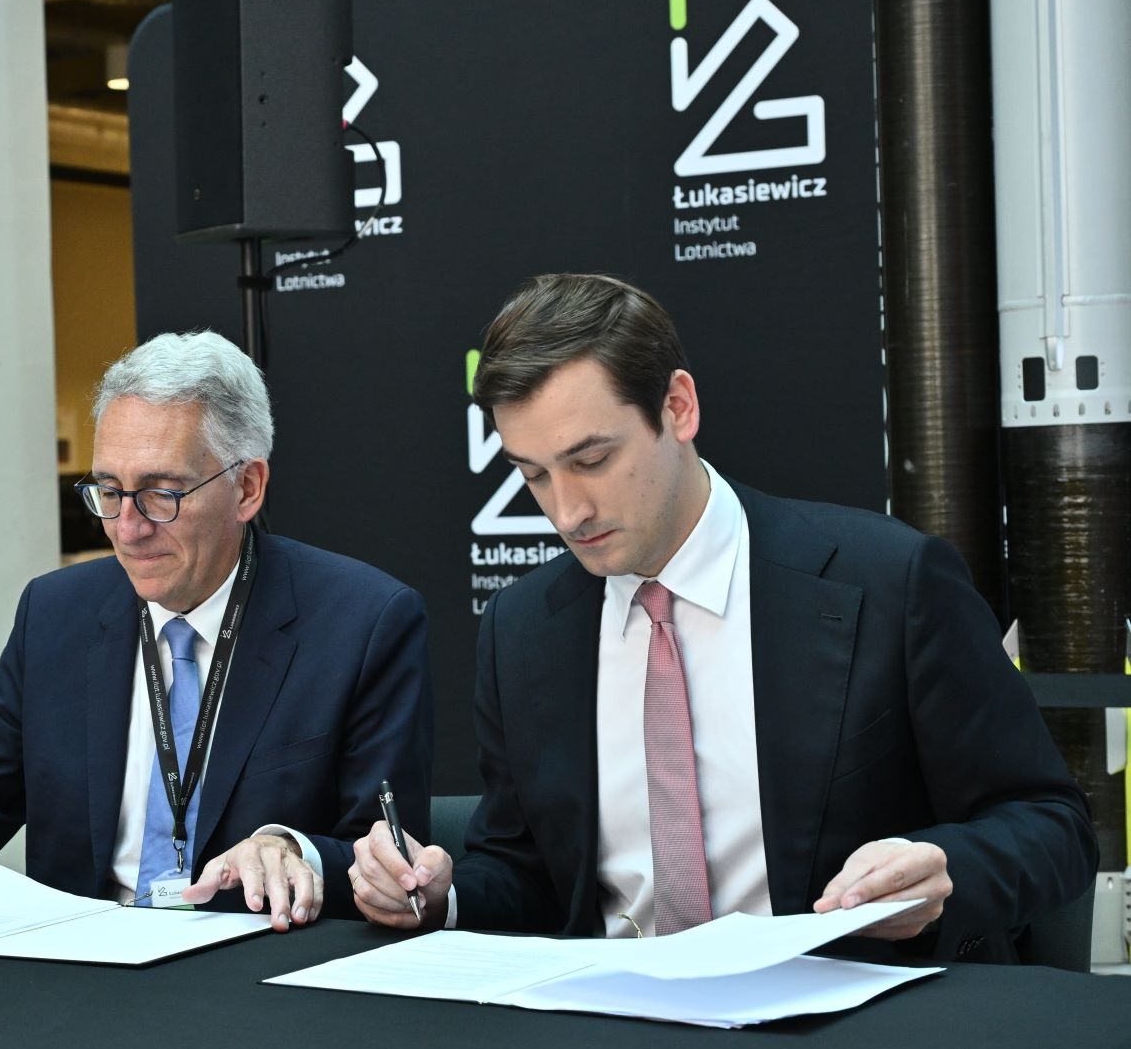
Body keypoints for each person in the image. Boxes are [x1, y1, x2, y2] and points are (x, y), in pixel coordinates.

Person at [352, 273, 1096, 961]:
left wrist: (944, 869)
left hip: (852, 1022)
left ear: (678, 407)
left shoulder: (889, 582)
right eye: (533, 475)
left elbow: (1051, 824)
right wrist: (443, 896)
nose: (567, 510)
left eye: (592, 460)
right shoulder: (522, 629)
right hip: (613, 1029)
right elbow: (528, 875)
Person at [0, 330, 432, 929]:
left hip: (254, 962)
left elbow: (391, 859)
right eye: (109, 491)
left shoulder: (363, 623)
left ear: (247, 488)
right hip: (77, 961)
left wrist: (296, 851)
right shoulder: (56, 612)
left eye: (161, 494)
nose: (128, 528)